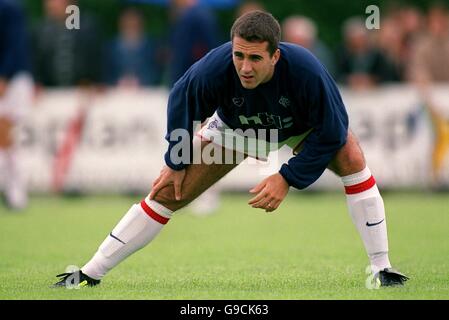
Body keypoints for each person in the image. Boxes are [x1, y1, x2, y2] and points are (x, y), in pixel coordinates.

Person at [54, 11, 408, 288]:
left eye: (255, 58)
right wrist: (176, 159)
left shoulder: (307, 72)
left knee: (352, 156)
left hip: (298, 129)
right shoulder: (214, 68)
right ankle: (89, 273)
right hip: (237, 130)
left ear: (276, 56)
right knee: (167, 191)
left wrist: (287, 177)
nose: (244, 67)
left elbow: (332, 130)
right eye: (238, 55)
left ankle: (382, 267)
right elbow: (181, 98)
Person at [0, 0, 33, 210]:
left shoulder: (9, 8)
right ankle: (13, 189)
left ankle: (16, 190)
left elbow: (15, 45)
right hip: (7, 78)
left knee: (6, 135)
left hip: (13, 79)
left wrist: (4, 75)